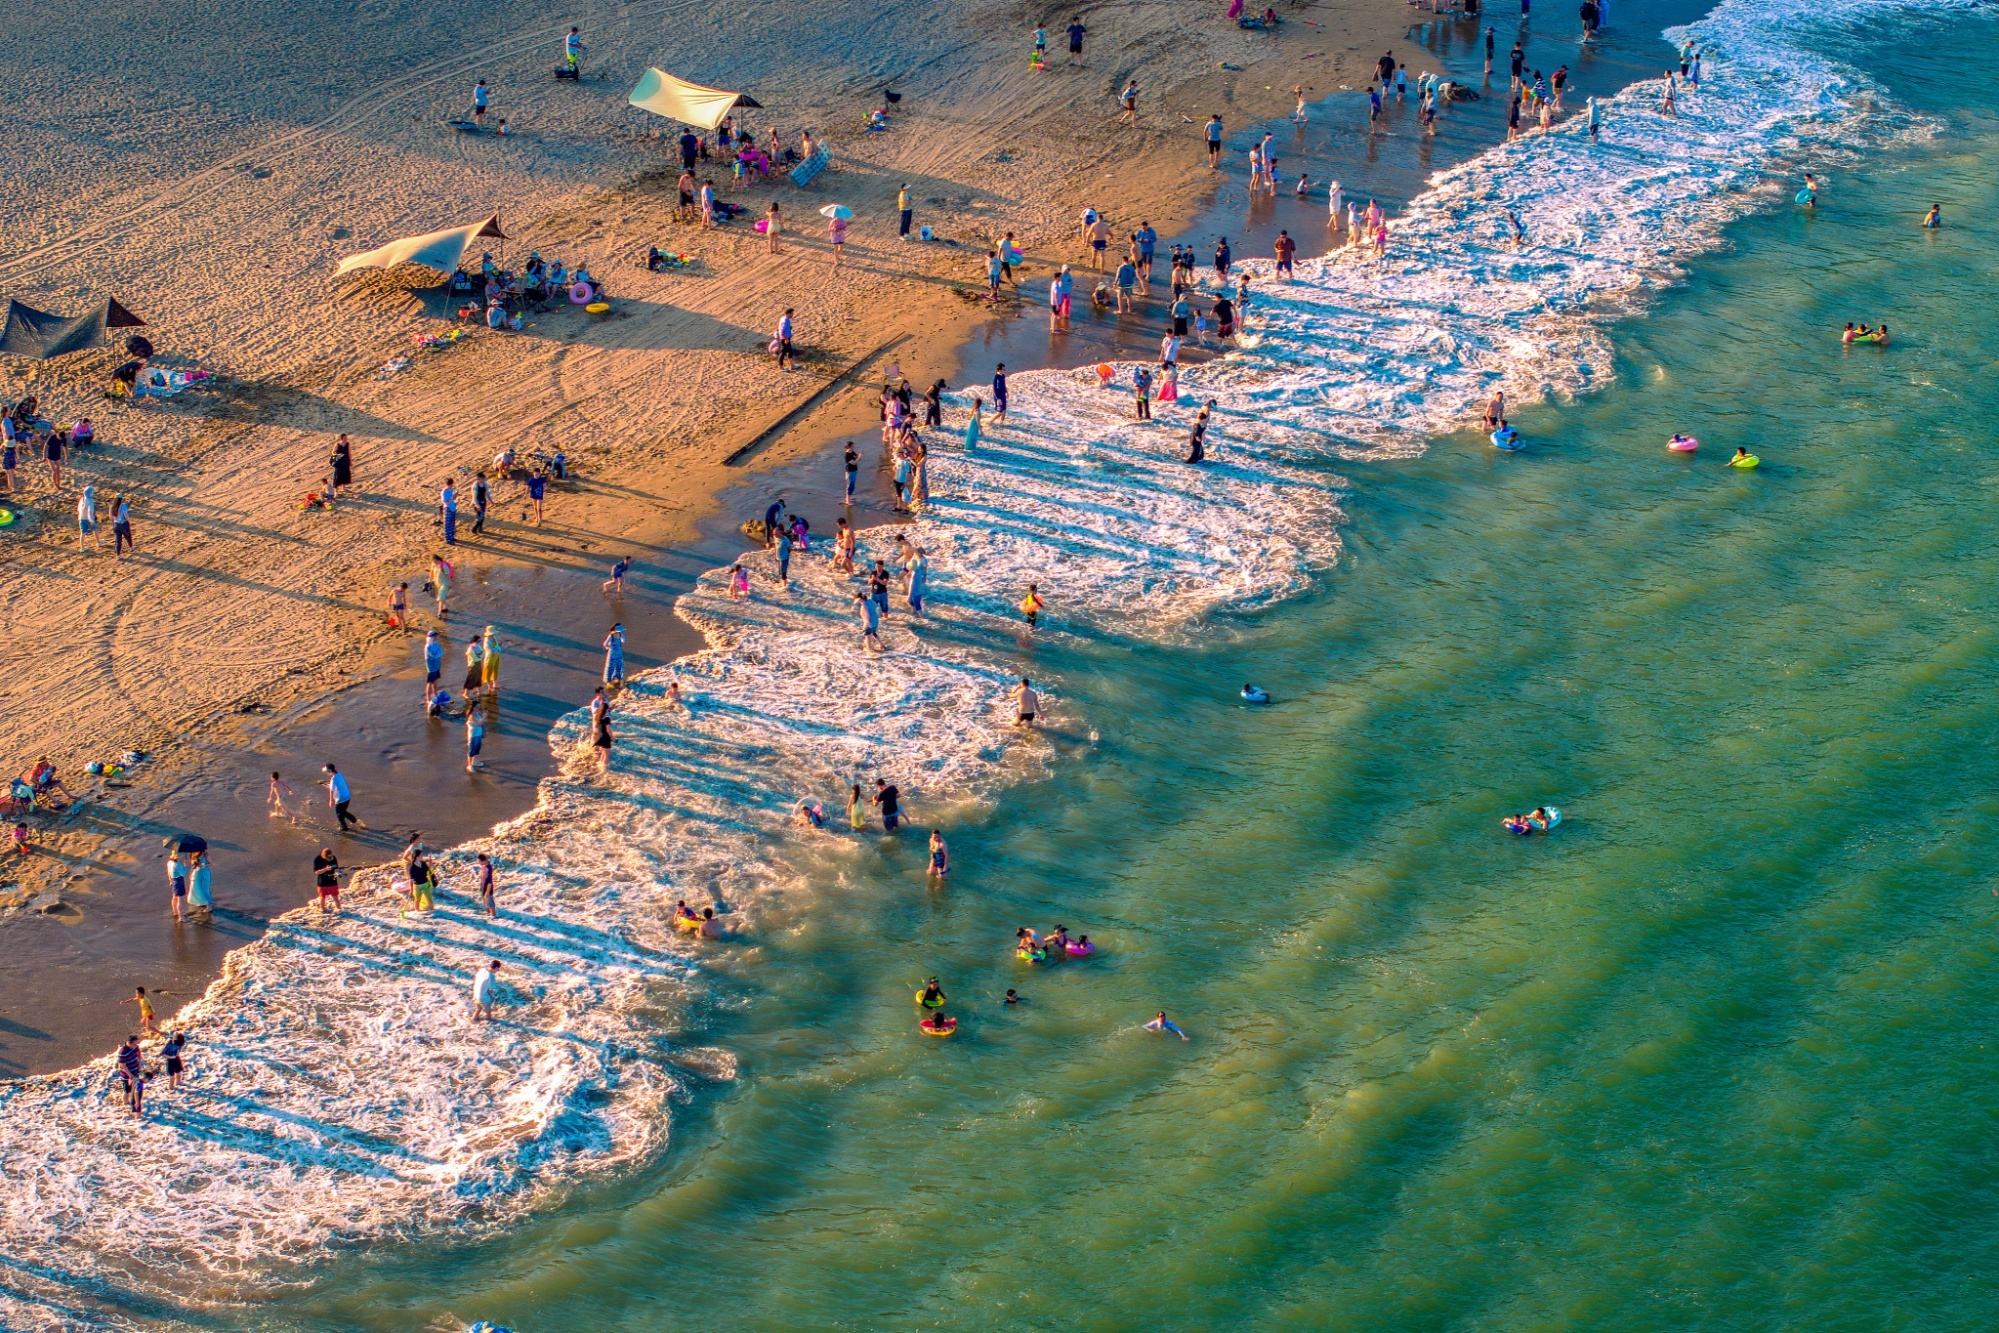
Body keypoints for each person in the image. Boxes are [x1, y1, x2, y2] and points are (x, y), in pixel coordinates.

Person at [324, 762, 361, 832]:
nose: (326, 773)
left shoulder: (333, 779)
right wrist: (329, 786)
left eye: (326, 772)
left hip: (341, 800)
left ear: (329, 771)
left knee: (339, 814)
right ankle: (355, 821)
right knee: (343, 812)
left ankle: (344, 829)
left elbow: (332, 790)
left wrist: (331, 801)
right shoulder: (339, 775)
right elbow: (337, 787)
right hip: (347, 797)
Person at [116, 1035, 146, 1114]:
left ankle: (135, 1102)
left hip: (135, 1071)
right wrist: (129, 1074)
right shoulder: (123, 1052)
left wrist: (139, 1063)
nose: (136, 1045)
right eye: (134, 1044)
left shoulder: (135, 1047)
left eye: (137, 1043)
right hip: (126, 1075)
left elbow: (138, 1053)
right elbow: (123, 1065)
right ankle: (125, 1104)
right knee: (127, 1091)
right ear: (129, 1043)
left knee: (136, 1089)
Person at [188, 850, 213, 920]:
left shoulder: (205, 854)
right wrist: (191, 872)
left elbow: (211, 863)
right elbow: (193, 865)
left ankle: (209, 906)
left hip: (205, 873)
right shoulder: (192, 854)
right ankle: (200, 901)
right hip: (197, 873)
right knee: (196, 887)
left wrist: (204, 865)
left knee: (205, 889)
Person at [603, 623, 626, 687]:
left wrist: (608, 647)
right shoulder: (612, 635)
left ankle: (616, 679)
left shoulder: (619, 634)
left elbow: (623, 640)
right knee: (612, 665)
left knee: (617, 665)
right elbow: (605, 644)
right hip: (614, 652)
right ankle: (609, 680)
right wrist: (610, 647)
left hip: (616, 651)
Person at [167, 852, 188, 922]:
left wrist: (170, 881)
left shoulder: (169, 862)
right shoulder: (177, 864)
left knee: (174, 897)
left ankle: (175, 912)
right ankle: (181, 917)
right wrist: (185, 867)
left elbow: (168, 873)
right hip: (179, 881)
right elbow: (183, 873)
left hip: (173, 880)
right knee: (180, 900)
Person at [474, 851, 497, 917]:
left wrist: (487, 891)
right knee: (485, 902)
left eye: (479, 861)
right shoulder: (483, 866)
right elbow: (482, 878)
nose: (478, 863)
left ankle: (493, 916)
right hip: (484, 886)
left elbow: (489, 881)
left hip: (488, 887)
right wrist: (481, 886)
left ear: (483, 861)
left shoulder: (488, 868)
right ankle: (488, 914)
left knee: (490, 902)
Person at [76, 484, 97, 550]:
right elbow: (90, 511)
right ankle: (98, 542)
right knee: (95, 529)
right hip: (87, 519)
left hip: (81, 518)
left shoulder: (82, 499)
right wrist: (91, 520)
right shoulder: (90, 501)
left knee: (83, 533)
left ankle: (82, 547)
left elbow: (78, 509)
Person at [112, 494, 133, 558]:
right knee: (128, 535)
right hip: (123, 524)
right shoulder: (123, 506)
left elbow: (111, 516)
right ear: (121, 499)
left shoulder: (112, 507)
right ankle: (131, 547)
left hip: (116, 525)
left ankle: (118, 554)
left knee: (118, 540)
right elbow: (126, 515)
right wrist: (129, 521)